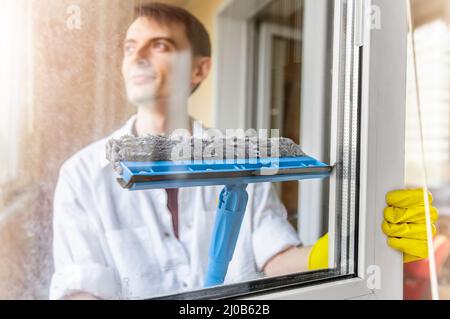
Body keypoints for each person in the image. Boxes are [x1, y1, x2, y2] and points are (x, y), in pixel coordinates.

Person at [49, 3, 438, 300]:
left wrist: (348, 247)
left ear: (200, 70)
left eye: (160, 45)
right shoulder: (83, 174)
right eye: (130, 47)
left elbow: (274, 258)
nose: (137, 56)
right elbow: (82, 287)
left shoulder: (243, 161)